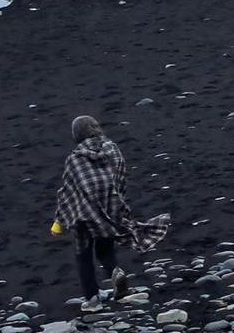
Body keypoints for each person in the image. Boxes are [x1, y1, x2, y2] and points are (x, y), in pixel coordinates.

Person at [53, 116, 170, 312]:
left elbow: (68, 191)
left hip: (84, 214)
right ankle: (118, 280)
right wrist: (118, 202)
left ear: (77, 135)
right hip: (110, 208)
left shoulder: (75, 158)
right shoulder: (112, 149)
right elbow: (121, 175)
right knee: (105, 249)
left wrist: (60, 220)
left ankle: (92, 299)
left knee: (83, 255)